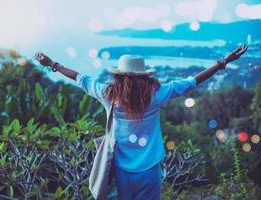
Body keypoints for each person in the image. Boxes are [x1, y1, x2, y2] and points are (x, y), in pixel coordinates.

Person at [35, 45, 248, 200]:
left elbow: (80, 78)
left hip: (120, 169)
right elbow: (192, 82)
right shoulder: (157, 94)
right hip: (150, 168)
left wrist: (52, 64)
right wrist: (223, 62)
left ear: (119, 76)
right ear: (143, 76)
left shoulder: (108, 95)